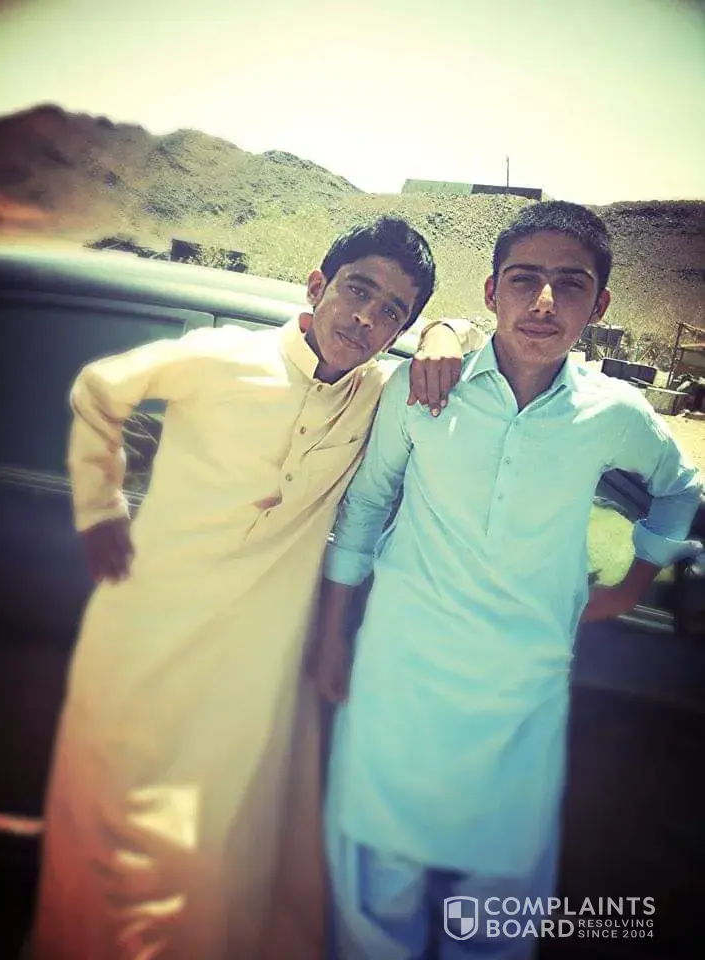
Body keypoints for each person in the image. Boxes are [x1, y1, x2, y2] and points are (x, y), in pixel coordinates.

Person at [30, 216, 485, 960]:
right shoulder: (222, 356)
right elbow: (99, 389)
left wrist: (446, 330)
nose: (366, 318)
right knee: (114, 852)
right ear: (317, 286)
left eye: (391, 311)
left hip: (251, 670)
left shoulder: (377, 393)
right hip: (142, 650)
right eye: (356, 291)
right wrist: (100, 505)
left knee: (214, 858)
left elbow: (468, 341)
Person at [312, 201, 703, 959]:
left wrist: (630, 586)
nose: (544, 302)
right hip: (398, 679)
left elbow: (680, 485)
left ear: (600, 305)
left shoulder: (612, 413)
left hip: (522, 695)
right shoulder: (422, 386)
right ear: (492, 292)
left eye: (570, 284)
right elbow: (363, 510)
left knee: (496, 912)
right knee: (373, 897)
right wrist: (333, 639)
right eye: (524, 280)